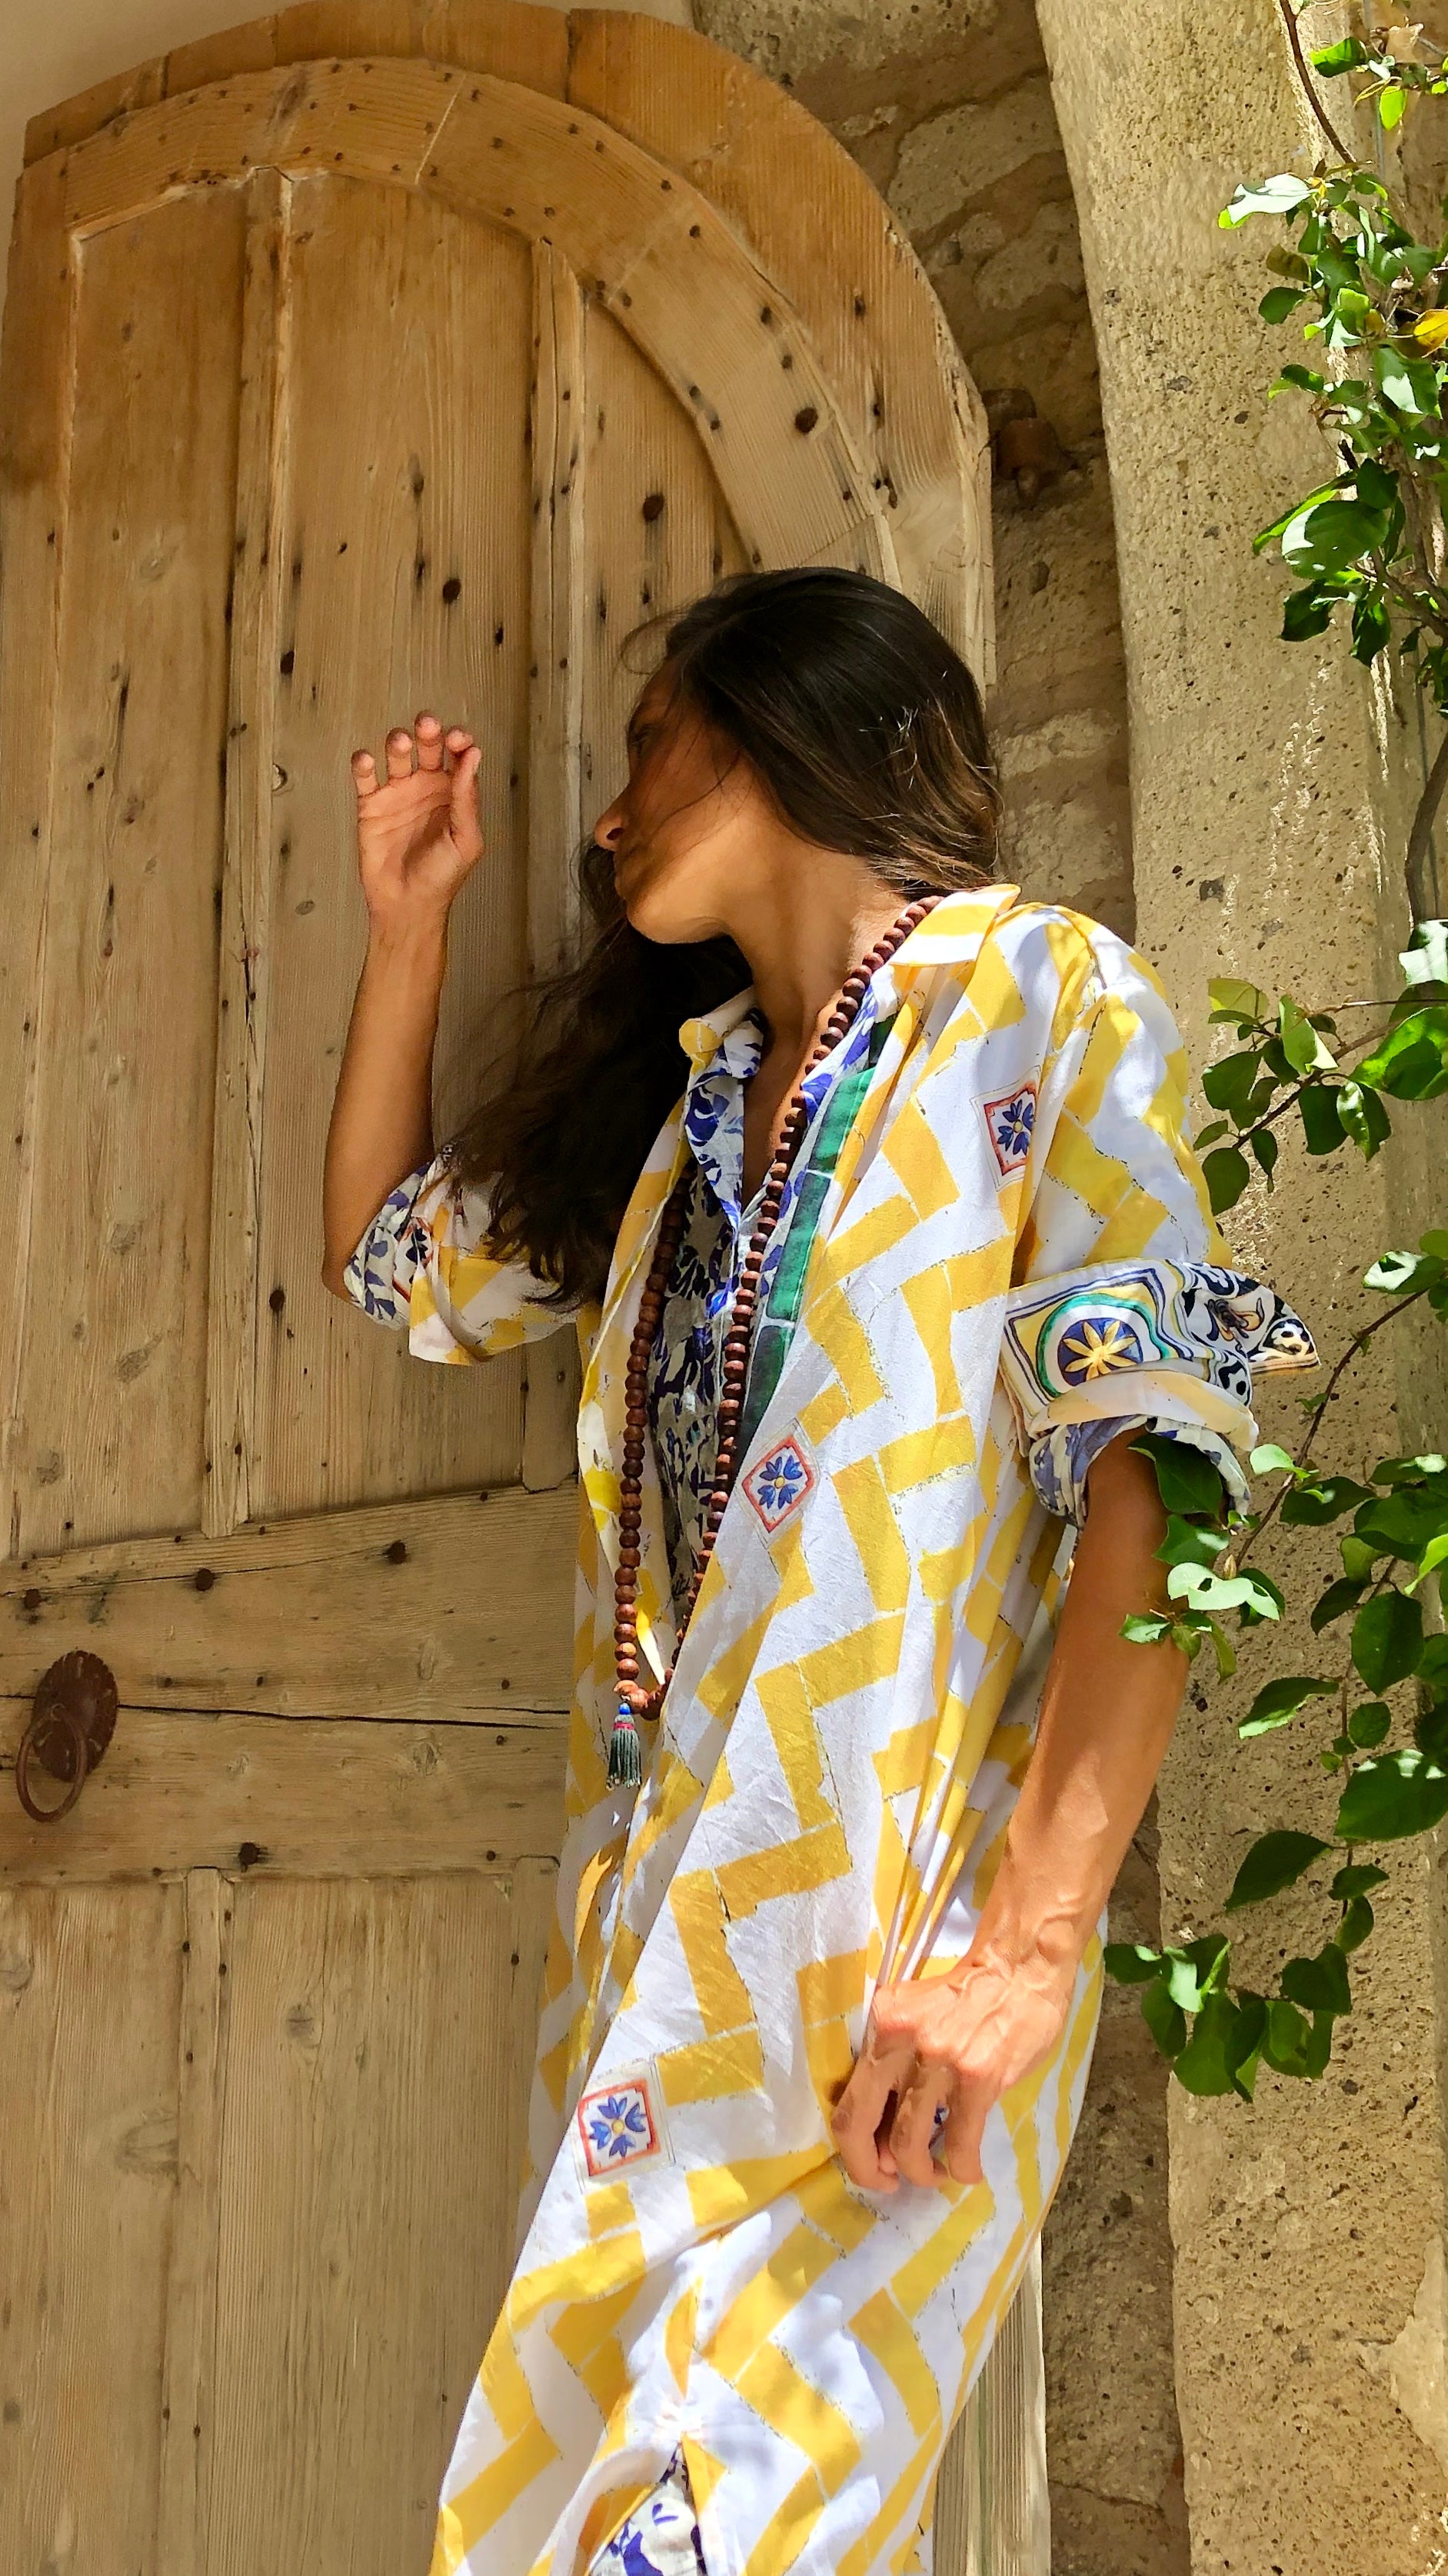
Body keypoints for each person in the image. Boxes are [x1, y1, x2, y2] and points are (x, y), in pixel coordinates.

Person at [322, 568, 1314, 2576]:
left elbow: (1160, 1461)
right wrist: (408, 927)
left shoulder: (1039, 998)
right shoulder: (680, 1130)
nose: (611, 815)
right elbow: (400, 1278)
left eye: (652, 745)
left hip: (901, 1975)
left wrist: (1026, 1951)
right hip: (643, 1970)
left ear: (800, 722)